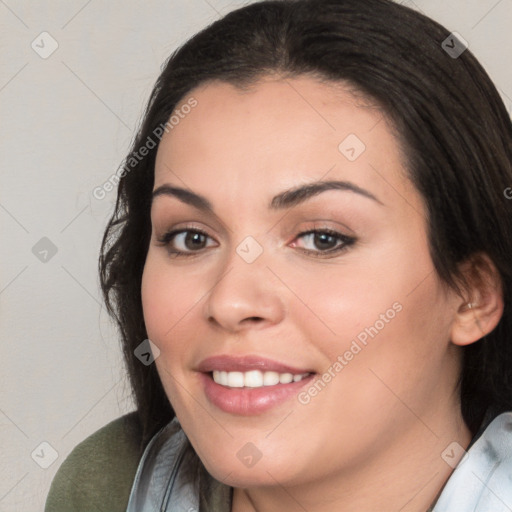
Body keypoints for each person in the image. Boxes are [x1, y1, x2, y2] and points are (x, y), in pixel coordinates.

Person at [45, 0, 512, 510]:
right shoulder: (102, 487)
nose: (230, 301)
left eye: (321, 238)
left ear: (472, 294)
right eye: (191, 238)